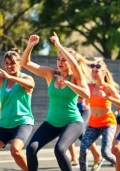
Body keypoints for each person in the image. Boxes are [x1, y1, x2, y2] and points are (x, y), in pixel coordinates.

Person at [22, 33, 90, 171]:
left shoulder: (76, 77)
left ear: (70, 62)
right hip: (52, 122)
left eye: (64, 60)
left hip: (73, 122)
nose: (60, 62)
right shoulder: (50, 74)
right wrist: (30, 46)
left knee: (59, 149)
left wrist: (59, 45)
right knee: (31, 148)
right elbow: (25, 63)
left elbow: (86, 94)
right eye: (58, 59)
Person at [79, 60, 120, 171]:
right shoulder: (89, 87)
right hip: (93, 124)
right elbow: (83, 97)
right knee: (82, 150)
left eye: (97, 71)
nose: (94, 74)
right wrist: (85, 104)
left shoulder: (108, 88)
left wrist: (107, 97)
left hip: (107, 124)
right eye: (93, 71)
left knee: (105, 153)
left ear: (104, 73)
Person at [0, 48, 35, 171]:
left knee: (15, 150)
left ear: (20, 64)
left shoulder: (26, 78)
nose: (9, 66)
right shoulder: (2, 80)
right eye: (7, 63)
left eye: (13, 63)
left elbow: (31, 85)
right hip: (4, 123)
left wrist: (12, 78)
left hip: (22, 122)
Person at [67, 54, 102, 170]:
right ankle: (73, 158)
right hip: (71, 108)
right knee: (67, 133)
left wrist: (87, 101)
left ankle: (97, 155)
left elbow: (87, 91)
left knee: (82, 134)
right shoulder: (66, 74)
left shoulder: (81, 73)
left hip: (83, 107)